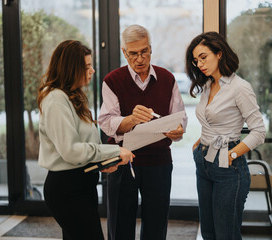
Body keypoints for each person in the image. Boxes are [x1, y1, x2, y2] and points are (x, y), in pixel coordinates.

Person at [37, 40, 134, 240]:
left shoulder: (73, 97)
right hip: (67, 189)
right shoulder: (56, 100)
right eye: (87, 66)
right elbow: (71, 151)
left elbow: (84, 144)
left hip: (82, 184)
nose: (92, 71)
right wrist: (115, 152)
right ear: (71, 68)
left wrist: (100, 162)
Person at [98, 24, 188, 240]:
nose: (139, 59)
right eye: (133, 54)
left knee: (156, 225)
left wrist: (179, 131)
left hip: (159, 162)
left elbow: (180, 116)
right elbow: (106, 121)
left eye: (144, 51)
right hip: (122, 162)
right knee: (120, 224)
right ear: (124, 52)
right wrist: (130, 120)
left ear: (150, 48)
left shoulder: (167, 79)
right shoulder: (112, 80)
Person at [185, 32, 266, 240]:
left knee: (226, 235)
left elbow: (259, 131)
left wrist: (231, 154)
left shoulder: (240, 88)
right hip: (203, 162)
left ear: (219, 53)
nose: (199, 64)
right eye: (196, 60)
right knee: (208, 233)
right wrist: (199, 145)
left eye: (204, 57)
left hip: (228, 169)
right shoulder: (207, 85)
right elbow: (209, 122)